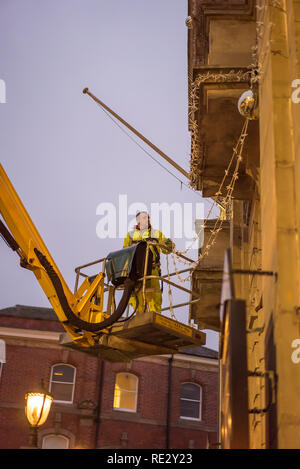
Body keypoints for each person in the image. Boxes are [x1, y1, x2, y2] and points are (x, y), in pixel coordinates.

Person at [123, 211, 174, 313]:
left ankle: (155, 316)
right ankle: (140, 317)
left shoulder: (156, 233)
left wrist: (169, 244)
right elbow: (125, 253)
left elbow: (167, 249)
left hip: (152, 269)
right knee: (137, 297)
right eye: (143, 218)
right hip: (136, 272)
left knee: (154, 296)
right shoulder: (130, 235)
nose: (146, 220)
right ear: (138, 221)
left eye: (147, 218)